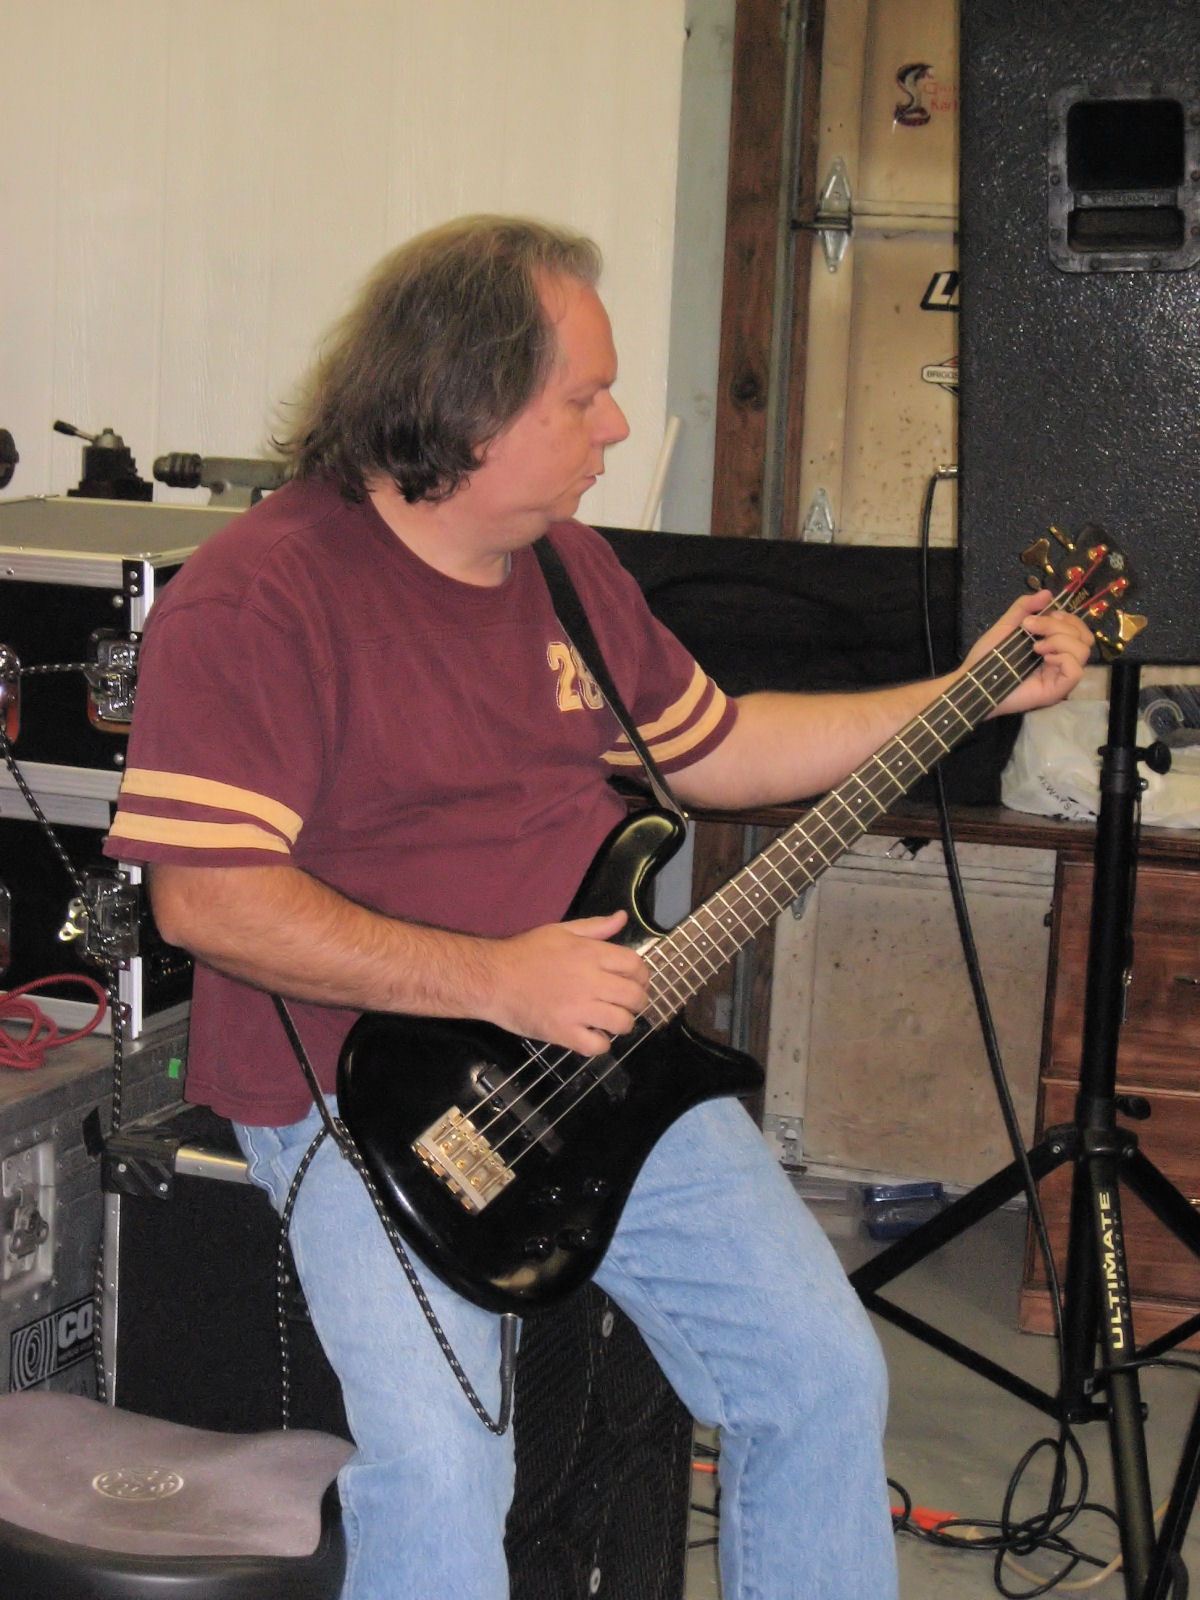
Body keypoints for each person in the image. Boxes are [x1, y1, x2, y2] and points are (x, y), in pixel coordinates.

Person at [104, 215, 1094, 1600]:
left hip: (599, 1058)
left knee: (816, 1376)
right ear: (468, 403)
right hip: (363, 1088)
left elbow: (721, 748)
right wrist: (495, 979)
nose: (618, 427)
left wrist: (970, 690)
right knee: (443, 1468)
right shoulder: (261, 598)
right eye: (585, 398)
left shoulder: (569, 568)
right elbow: (209, 904)